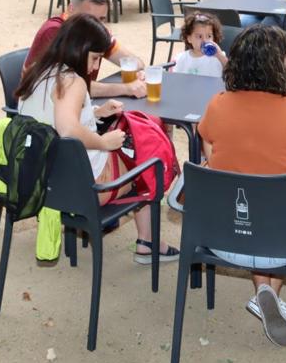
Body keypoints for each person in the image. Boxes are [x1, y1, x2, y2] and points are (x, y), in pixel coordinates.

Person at [197, 24, 286, 345]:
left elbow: (212, 158)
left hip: (222, 235)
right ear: (280, 65)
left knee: (252, 193)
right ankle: (266, 291)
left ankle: (264, 292)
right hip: (282, 243)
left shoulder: (217, 104)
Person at [15, 13, 179, 265]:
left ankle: (147, 239)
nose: (94, 68)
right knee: (149, 156)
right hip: (86, 187)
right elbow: (67, 129)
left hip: (45, 182)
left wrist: (94, 113)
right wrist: (103, 142)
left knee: (131, 141)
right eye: (94, 59)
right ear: (77, 48)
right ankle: (149, 241)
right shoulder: (72, 80)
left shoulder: (39, 72)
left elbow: (50, 120)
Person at [24, 0, 147, 98]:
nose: (96, 24)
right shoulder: (55, 32)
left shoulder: (96, 32)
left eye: (102, 19)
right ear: (71, 9)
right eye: (89, 18)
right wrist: (126, 88)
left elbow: (136, 63)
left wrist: (137, 73)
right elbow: (68, 85)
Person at [171, 12, 226, 77]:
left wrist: (220, 56)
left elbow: (233, 73)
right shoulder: (182, 58)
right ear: (189, 39)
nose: (205, 40)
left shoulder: (219, 56)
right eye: (199, 36)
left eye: (209, 36)